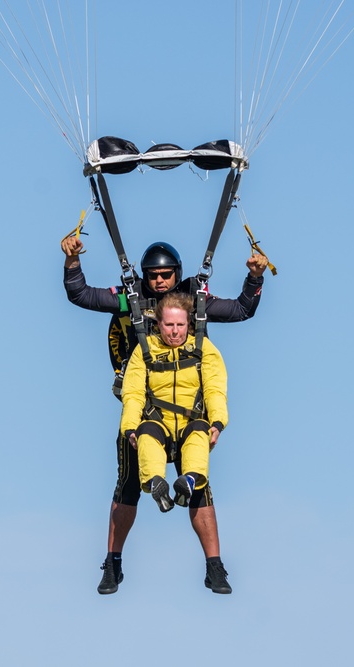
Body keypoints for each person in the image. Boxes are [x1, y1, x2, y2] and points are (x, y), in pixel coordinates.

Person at [62, 234, 269, 594]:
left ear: (177, 274)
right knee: (127, 486)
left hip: (188, 414)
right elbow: (82, 295)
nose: (160, 280)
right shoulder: (132, 300)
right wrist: (72, 262)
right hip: (144, 413)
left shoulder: (192, 303)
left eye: (167, 274)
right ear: (144, 276)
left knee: (198, 484)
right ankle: (112, 564)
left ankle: (215, 568)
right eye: (153, 275)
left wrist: (255, 277)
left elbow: (240, 310)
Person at [120, 293, 232, 593]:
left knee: (198, 433)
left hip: (188, 422)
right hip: (158, 421)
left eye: (180, 325)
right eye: (168, 325)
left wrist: (218, 422)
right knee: (146, 435)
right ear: (158, 324)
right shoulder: (144, 350)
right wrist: (129, 428)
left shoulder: (203, 350)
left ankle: (189, 480)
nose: (174, 332)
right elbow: (132, 393)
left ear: (190, 325)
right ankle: (157, 484)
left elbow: (215, 388)